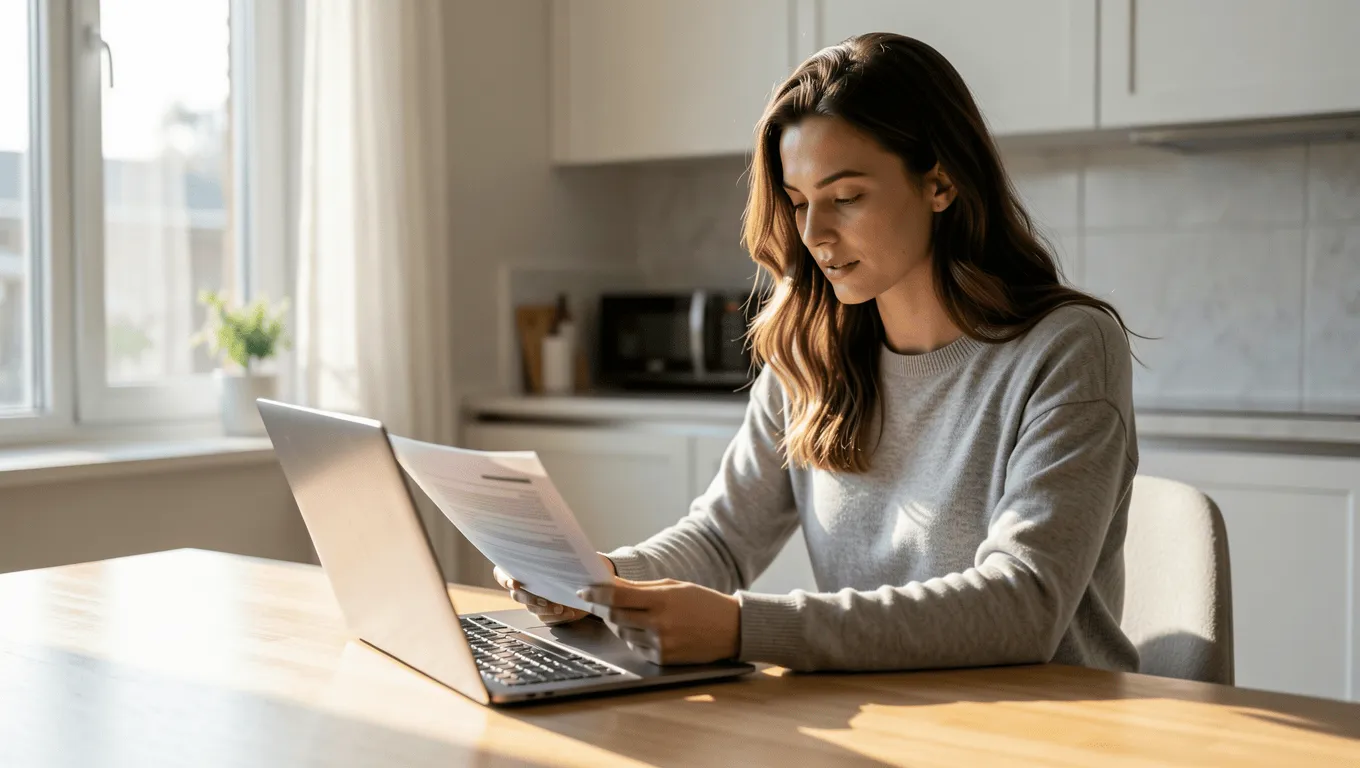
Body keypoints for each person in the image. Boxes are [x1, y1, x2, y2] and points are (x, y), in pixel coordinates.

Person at [495, 32, 1140, 674]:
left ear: (940, 183)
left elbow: (1023, 605)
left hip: (1049, 727)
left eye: (847, 197)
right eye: (799, 203)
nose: (813, 235)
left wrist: (747, 628)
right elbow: (722, 539)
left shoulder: (1066, 348)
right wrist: (596, 583)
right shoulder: (810, 352)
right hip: (881, 717)